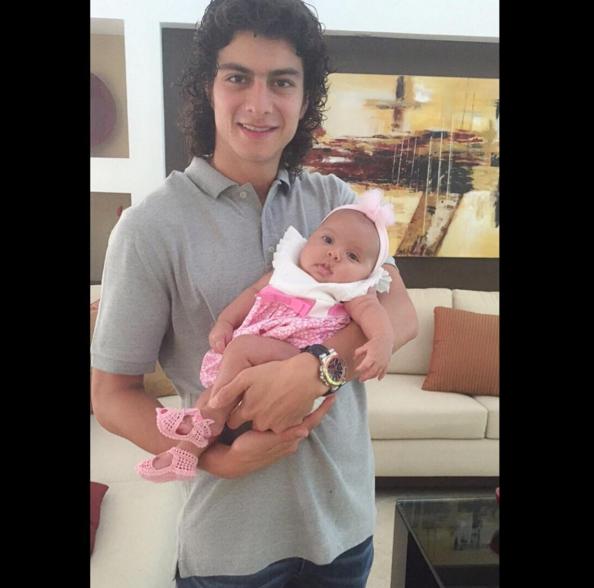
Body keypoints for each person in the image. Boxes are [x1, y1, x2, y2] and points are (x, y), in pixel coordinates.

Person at [91, 0, 418, 586]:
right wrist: (218, 459)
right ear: (207, 87)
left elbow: (400, 312)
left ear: (305, 98)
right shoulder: (150, 228)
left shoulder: (336, 202)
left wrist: (315, 370)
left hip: (344, 528)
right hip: (230, 547)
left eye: (282, 81)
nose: (260, 104)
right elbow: (112, 395)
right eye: (238, 77)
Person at [136, 190, 397, 482]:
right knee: (212, 391)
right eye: (327, 240)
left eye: (352, 256)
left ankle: (211, 416)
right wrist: (225, 321)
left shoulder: (350, 290)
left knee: (240, 351)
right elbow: (253, 293)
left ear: (368, 272)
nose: (334, 254)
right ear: (310, 238)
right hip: (262, 357)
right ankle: (184, 455)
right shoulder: (287, 270)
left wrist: (382, 341)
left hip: (297, 358)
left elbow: (375, 313)